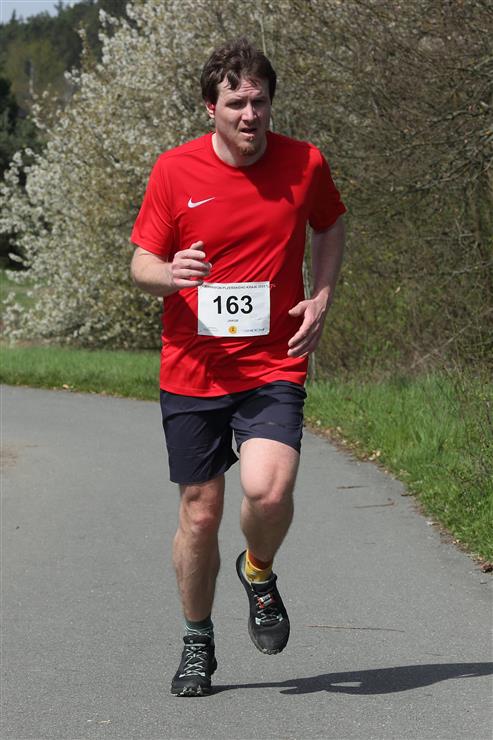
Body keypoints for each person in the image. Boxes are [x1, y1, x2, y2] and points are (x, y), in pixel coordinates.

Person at [130, 37, 346, 697]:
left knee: (269, 491)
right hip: (193, 367)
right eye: (236, 104)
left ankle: (258, 570)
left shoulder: (304, 163)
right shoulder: (174, 171)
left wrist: (321, 295)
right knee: (200, 514)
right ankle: (197, 641)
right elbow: (140, 263)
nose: (250, 115)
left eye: (259, 102)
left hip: (272, 362)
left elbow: (329, 224)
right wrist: (170, 274)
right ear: (211, 108)